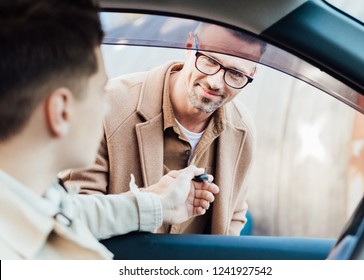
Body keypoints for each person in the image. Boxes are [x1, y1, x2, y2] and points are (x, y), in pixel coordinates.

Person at [0, 0, 219, 259]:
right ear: (61, 111)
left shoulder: (33, 198)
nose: (105, 108)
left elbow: (71, 212)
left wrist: (159, 204)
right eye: (98, 93)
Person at [61, 22, 266, 235]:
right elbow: (72, 214)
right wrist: (152, 201)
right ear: (189, 47)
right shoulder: (107, 105)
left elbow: (234, 215)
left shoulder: (242, 128)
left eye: (235, 74)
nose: (215, 82)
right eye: (210, 61)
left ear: (252, 73)